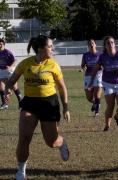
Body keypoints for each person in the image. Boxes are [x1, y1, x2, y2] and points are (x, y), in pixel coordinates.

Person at [5, 35, 70, 180]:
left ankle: (62, 143)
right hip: (30, 103)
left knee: (51, 142)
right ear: (41, 49)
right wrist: (7, 89)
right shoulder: (25, 63)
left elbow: (62, 88)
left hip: (49, 104)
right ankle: (21, 171)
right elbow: (12, 80)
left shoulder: (53, 65)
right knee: (24, 137)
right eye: (50, 46)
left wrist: (66, 107)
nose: (52, 48)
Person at [89, 36, 118, 131]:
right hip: (108, 83)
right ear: (105, 46)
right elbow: (95, 69)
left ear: (114, 44)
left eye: (112, 42)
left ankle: (117, 116)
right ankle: (107, 125)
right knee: (111, 105)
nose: (110, 44)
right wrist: (91, 81)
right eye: (108, 43)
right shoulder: (102, 57)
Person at [80, 39, 102, 116]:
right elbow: (83, 65)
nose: (91, 45)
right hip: (88, 76)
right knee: (89, 98)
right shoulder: (85, 55)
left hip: (98, 75)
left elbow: (104, 64)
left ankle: (97, 111)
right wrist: (83, 68)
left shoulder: (100, 54)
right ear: (88, 46)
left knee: (97, 95)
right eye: (89, 44)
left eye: (92, 43)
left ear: (95, 44)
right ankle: (95, 103)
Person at [0, 38, 22, 109]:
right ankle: (4, 104)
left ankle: (21, 103)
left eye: (1, 44)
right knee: (1, 87)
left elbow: (15, 60)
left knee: (15, 87)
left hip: (9, 71)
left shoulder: (7, 52)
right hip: (2, 71)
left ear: (4, 45)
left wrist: (10, 67)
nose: (0, 45)